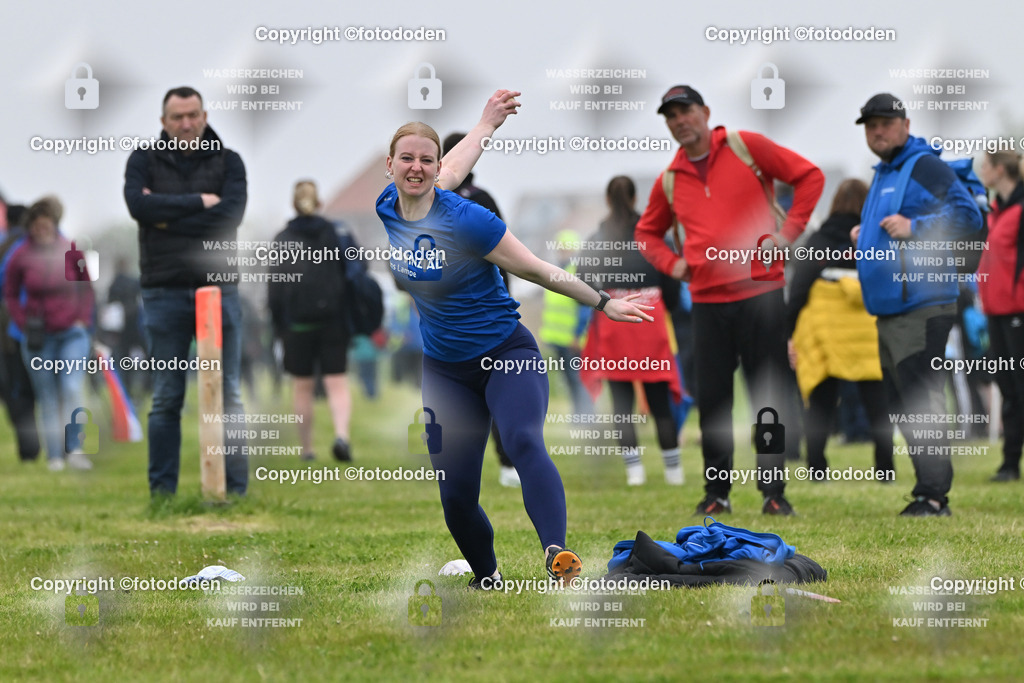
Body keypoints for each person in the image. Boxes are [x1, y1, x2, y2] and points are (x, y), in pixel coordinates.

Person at [376, 90, 654, 588]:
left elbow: (540, 270)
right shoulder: (387, 207)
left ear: (433, 168)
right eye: (407, 159)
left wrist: (603, 302)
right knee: (456, 493)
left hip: (506, 353)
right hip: (445, 370)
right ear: (390, 165)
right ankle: (487, 577)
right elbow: (455, 166)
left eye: (426, 160)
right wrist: (485, 124)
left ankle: (557, 554)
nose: (417, 168)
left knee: (522, 439)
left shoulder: (468, 221)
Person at [636, 85, 824, 516]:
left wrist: (787, 235)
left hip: (762, 295)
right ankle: (716, 493)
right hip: (707, 303)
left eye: (685, 111)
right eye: (670, 116)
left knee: (769, 399)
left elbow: (810, 176)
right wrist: (672, 264)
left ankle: (774, 493)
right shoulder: (670, 179)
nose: (679, 121)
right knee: (714, 402)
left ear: (705, 112)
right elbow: (646, 233)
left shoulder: (746, 147)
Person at [851, 93, 984, 516]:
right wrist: (864, 234)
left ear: (905, 125)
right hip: (891, 309)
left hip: (922, 305)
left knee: (921, 400)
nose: (877, 131)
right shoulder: (885, 171)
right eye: (871, 125)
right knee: (904, 403)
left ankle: (933, 496)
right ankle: (926, 490)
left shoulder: (924, 165)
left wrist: (917, 226)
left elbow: (969, 216)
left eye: (885, 123)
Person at [124, 86, 248, 497]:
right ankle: (162, 493)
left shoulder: (229, 161)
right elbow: (139, 208)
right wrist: (200, 202)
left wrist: (165, 216)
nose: (186, 123)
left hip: (220, 288)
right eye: (177, 117)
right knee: (166, 396)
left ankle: (236, 489)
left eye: (193, 114)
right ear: (164, 121)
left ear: (204, 116)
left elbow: (230, 216)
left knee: (229, 392)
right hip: (163, 292)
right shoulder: (143, 160)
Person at [578, 176, 683, 486]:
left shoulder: (598, 238)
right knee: (659, 399)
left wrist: (604, 301)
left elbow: (582, 280)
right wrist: (667, 306)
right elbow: (672, 279)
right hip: (650, 317)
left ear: (608, 200)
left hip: (614, 321)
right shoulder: (655, 236)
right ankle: (673, 471)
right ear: (636, 199)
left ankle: (634, 472)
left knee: (621, 403)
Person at [786, 179, 893, 481]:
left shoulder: (818, 240)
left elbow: (798, 291)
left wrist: (789, 333)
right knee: (877, 403)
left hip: (826, 333)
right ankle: (885, 469)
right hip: (867, 333)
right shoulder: (874, 238)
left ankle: (816, 467)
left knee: (820, 401)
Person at [442, 131, 523, 488]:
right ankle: (507, 463)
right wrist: (507, 298)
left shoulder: (427, 202)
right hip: (488, 314)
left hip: (447, 316)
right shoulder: (483, 199)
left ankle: (460, 464)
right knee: (497, 389)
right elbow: (508, 253)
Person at [3, 198, 94, 470]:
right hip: (38, 336)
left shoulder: (71, 250)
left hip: (72, 333)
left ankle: (75, 449)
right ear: (30, 228)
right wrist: (21, 322)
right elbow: (9, 292)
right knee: (48, 396)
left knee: (71, 387)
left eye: (46, 226)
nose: (42, 231)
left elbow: (86, 286)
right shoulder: (20, 255)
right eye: (37, 227)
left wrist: (83, 318)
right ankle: (55, 455)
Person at [268, 180, 353, 463]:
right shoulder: (335, 233)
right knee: (336, 383)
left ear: (293, 204)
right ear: (319, 203)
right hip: (333, 320)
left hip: (297, 324)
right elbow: (352, 274)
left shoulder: (282, 238)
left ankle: (307, 449)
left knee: (302, 386)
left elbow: (275, 288)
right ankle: (342, 436)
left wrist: (278, 326)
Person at [977, 150, 1024, 481]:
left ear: (1000, 170)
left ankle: (1010, 463)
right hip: (995, 312)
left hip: (1019, 311)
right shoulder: (994, 211)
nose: (982, 172)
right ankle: (1009, 464)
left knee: (1020, 388)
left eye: (985, 167)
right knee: (1008, 389)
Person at [539, 230, 594, 418]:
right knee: (569, 381)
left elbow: (585, 309)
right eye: (561, 249)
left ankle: (586, 417)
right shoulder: (555, 272)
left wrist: (577, 335)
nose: (563, 253)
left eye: (566, 249)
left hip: (572, 340)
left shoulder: (577, 272)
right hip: (557, 338)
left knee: (577, 380)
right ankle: (579, 417)